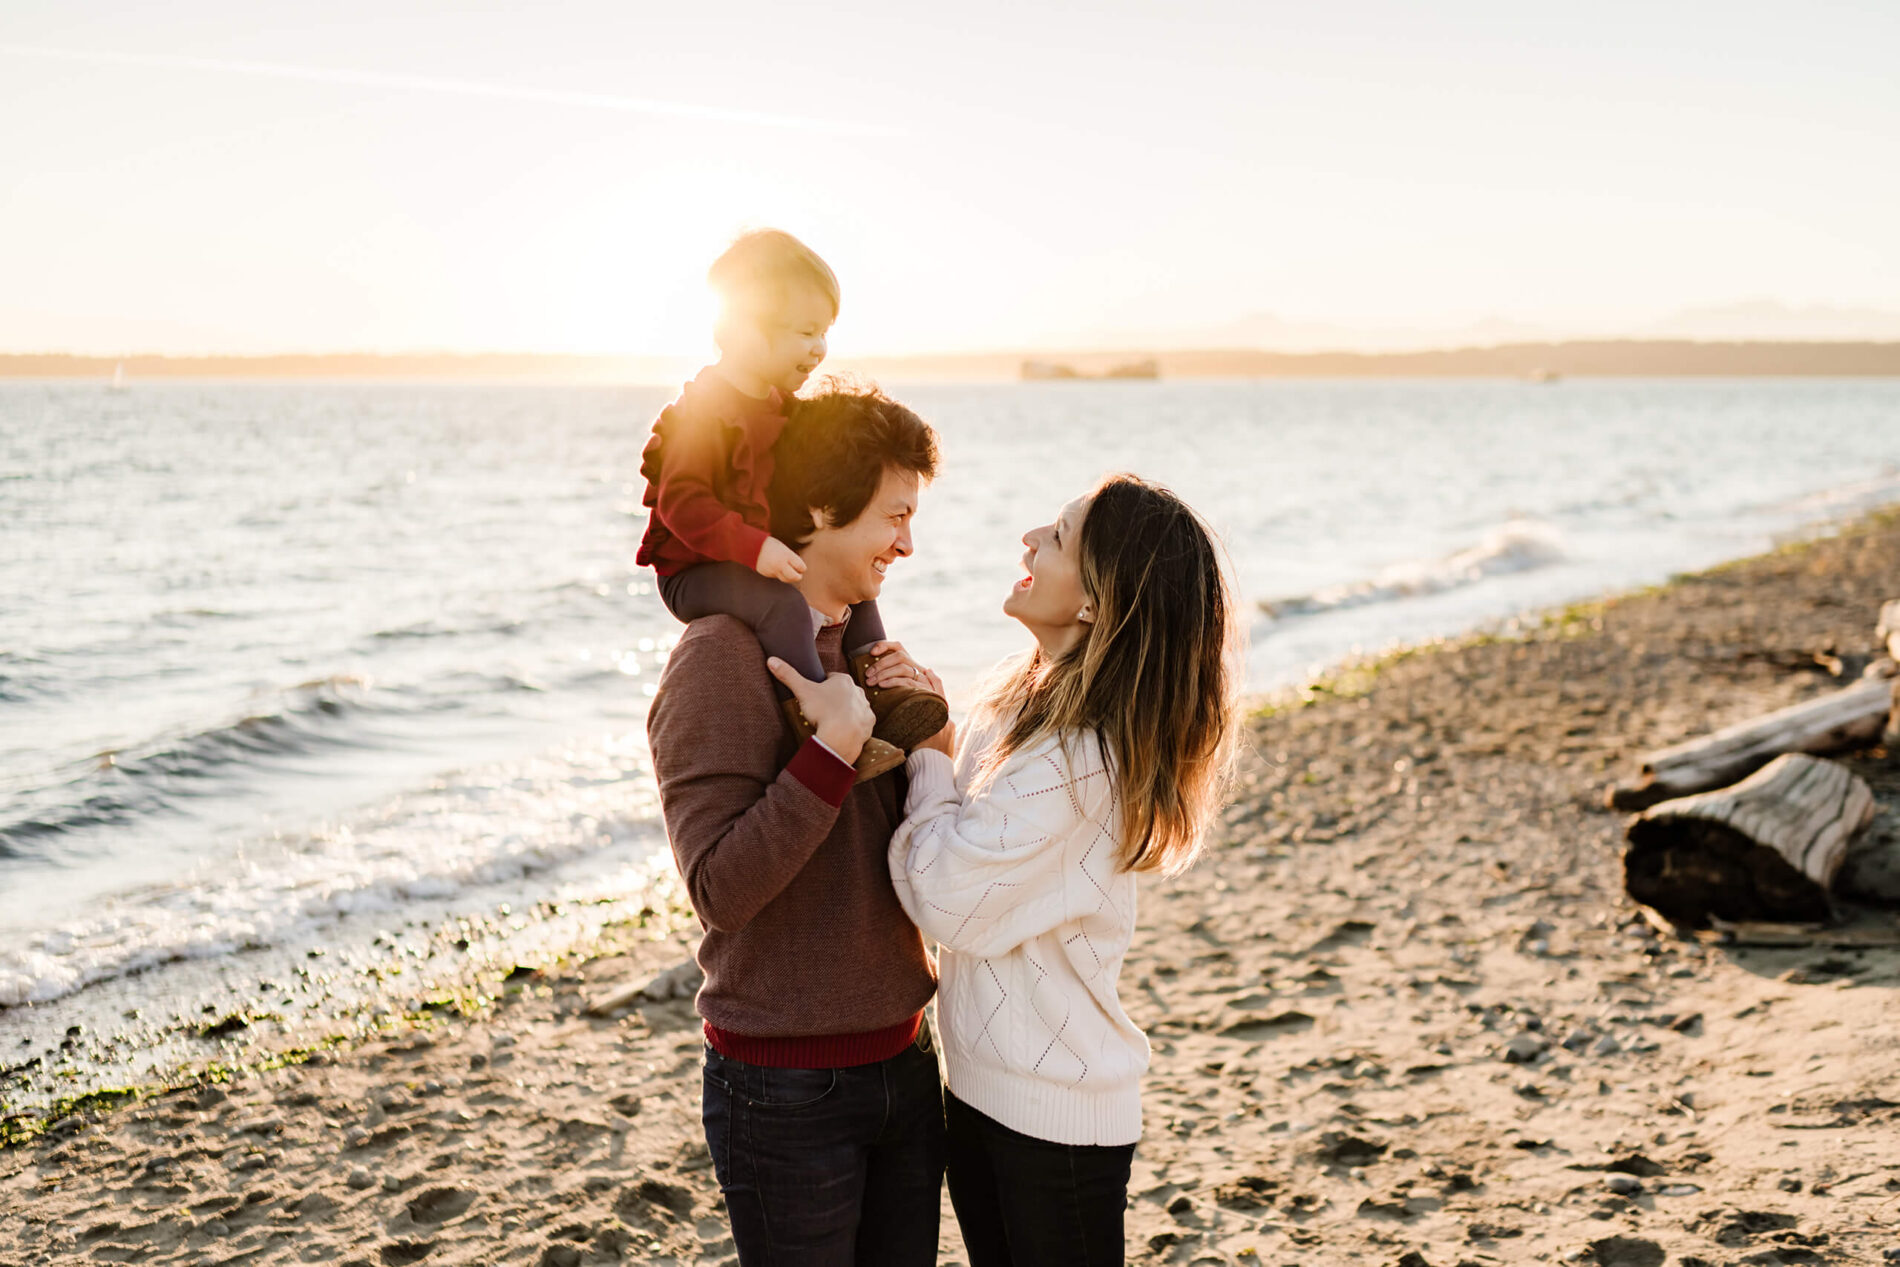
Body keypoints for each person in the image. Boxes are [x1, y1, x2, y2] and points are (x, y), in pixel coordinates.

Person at [792, 473, 1240, 1265]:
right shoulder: (1026, 698)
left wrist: (928, 759)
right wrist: (926, 713)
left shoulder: (1082, 759)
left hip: (1054, 1119)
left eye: (1060, 536)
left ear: (1097, 602)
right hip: (989, 1092)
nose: (1029, 537)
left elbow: (947, 893)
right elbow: (980, 822)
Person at [647, 382, 949, 1266]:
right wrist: (831, 751)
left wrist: (932, 727)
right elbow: (719, 890)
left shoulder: (859, 651)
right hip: (783, 1089)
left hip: (904, 1059)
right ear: (821, 508)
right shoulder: (718, 659)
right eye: (894, 515)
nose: (908, 542)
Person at [636, 228, 947, 781]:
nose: (819, 349)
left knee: (859, 592)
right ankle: (818, 714)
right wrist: (754, 547)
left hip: (755, 557)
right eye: (805, 332)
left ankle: (882, 685)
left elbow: (832, 458)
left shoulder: (781, 406)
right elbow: (683, 505)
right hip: (697, 569)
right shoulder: (703, 412)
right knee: (779, 603)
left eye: (825, 332)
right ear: (740, 330)